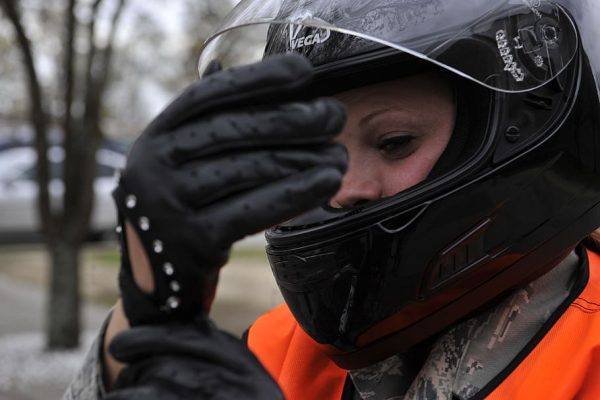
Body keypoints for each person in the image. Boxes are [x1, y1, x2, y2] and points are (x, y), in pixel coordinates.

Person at [64, 0, 600, 399]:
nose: (341, 190)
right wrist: (149, 314)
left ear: (521, 131)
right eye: (313, 152)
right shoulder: (277, 352)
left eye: (393, 142)